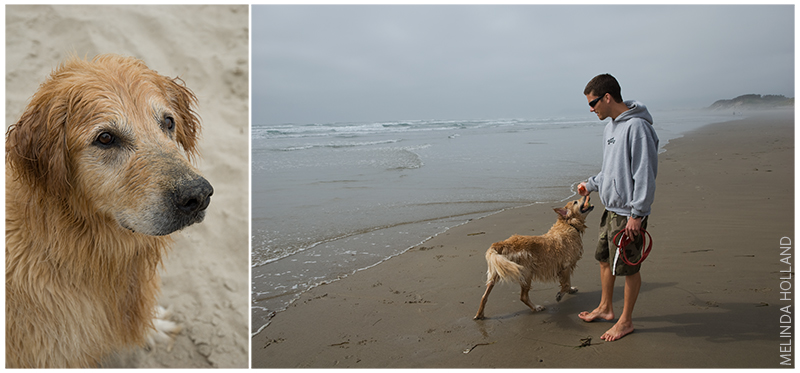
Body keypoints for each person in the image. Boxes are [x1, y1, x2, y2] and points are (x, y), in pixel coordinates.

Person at [577, 73, 659, 342]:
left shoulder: (637, 127)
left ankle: (625, 322)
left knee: (628, 268)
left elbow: (644, 172)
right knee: (604, 259)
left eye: (593, 103)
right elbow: (610, 170)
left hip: (628, 213)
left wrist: (638, 214)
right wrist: (590, 185)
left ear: (607, 97)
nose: (592, 109)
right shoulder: (610, 128)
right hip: (610, 208)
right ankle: (606, 307)